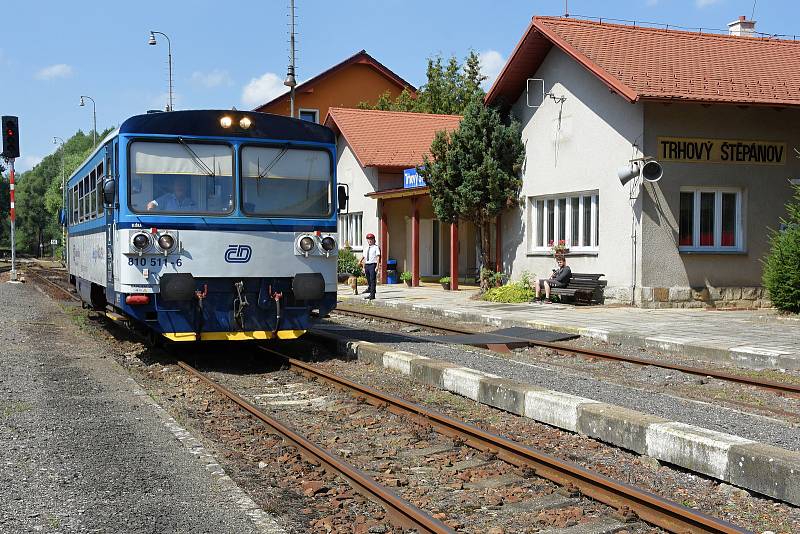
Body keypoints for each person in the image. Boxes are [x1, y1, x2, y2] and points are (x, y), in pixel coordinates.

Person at [359, 233, 381, 300]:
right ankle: (370, 290)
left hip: (372, 265)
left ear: (374, 240)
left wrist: (377, 266)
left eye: (371, 239)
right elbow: (364, 258)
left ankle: (372, 295)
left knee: (372, 279)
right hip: (367, 265)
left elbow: (378, 257)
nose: (370, 241)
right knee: (368, 280)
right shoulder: (366, 248)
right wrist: (363, 266)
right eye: (368, 239)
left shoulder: (376, 247)